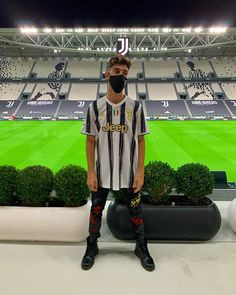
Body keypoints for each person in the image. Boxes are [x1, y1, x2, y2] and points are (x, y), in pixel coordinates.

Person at [80, 54, 155, 272]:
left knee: (136, 211)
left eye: (124, 73)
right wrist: (90, 172)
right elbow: (90, 140)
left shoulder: (136, 107)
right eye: (116, 72)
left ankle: (141, 247)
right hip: (102, 172)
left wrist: (140, 172)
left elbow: (141, 140)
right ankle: (92, 245)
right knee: (96, 210)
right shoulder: (94, 108)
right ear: (107, 75)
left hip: (129, 172)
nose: (120, 76)